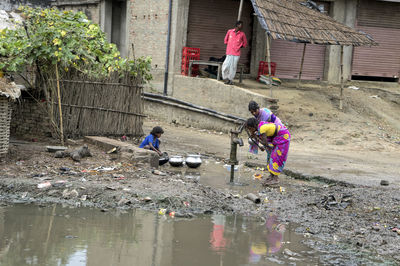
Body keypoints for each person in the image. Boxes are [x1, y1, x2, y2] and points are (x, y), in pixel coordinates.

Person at [245, 117, 290, 186]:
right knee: (270, 156)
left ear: (253, 127)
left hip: (283, 136)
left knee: (276, 157)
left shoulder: (262, 128)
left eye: (250, 129)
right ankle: (272, 176)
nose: (250, 131)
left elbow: (265, 143)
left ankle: (275, 179)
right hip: (277, 136)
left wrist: (257, 138)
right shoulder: (259, 126)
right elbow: (266, 144)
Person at [222, 21, 247, 85]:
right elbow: (225, 40)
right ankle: (226, 78)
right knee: (225, 66)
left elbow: (245, 43)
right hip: (229, 52)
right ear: (237, 25)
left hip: (236, 54)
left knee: (233, 67)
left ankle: (230, 80)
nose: (241, 26)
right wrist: (229, 46)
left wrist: (238, 47)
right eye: (240, 25)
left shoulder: (242, 34)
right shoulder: (229, 31)